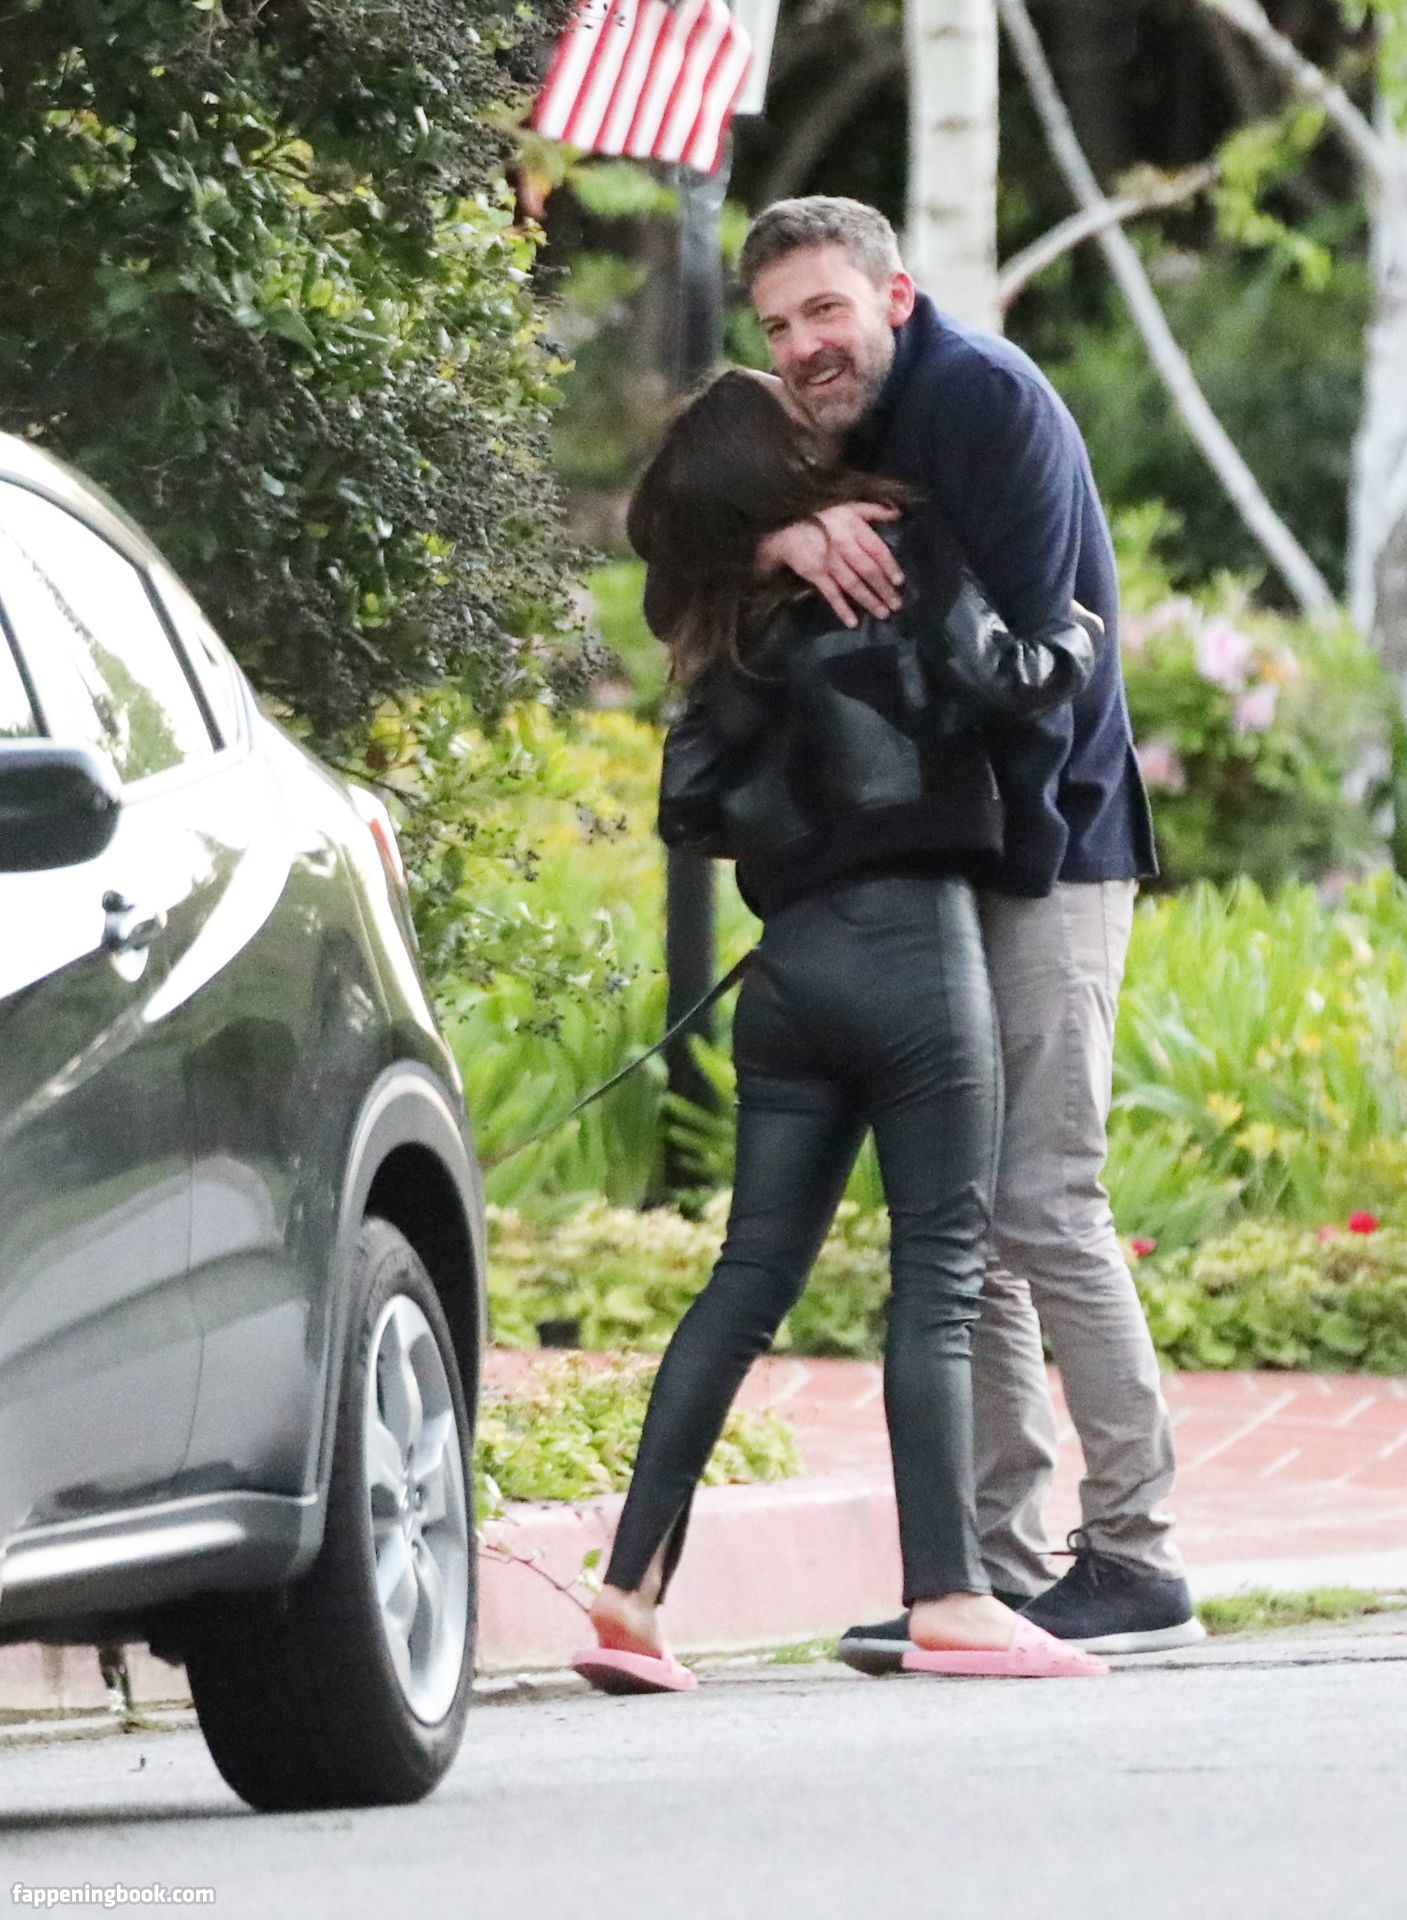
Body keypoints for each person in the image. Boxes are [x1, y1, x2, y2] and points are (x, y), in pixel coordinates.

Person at [574, 367, 1108, 1693]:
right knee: (938, 1276)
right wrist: (1079, 639)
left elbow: (690, 812)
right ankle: (953, 1597)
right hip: (916, 953)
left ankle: (628, 1593)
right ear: (781, 463)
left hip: (789, 972)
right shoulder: (896, 543)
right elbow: (1004, 676)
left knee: (746, 1280)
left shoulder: (722, 619)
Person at [726, 197, 1203, 1665]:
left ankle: (1137, 1559)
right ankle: (989, 1572)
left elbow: (1049, 663)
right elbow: (677, 525)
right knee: (962, 1224)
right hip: (943, 868)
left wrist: (994, 860)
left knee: (1043, 1203)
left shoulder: (981, 398)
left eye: (825, 309)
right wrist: (783, 535)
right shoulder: (821, 429)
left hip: (1049, 852)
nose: (803, 346)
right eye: (778, 326)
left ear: (894, 295)